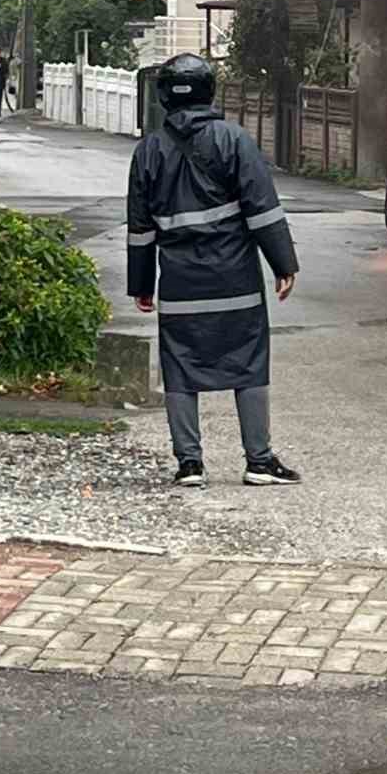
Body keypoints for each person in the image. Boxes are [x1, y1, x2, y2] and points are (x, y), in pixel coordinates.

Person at [127, 52, 301, 489]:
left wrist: (141, 284)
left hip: (181, 284)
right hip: (235, 280)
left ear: (164, 95)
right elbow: (261, 209)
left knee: (180, 368)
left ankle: (190, 464)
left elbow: (141, 228)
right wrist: (283, 264)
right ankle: (259, 461)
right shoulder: (234, 140)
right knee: (249, 363)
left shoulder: (148, 150)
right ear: (209, 90)